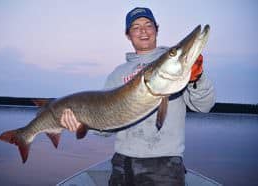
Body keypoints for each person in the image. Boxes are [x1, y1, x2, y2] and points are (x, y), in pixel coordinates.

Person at [60, 7, 215, 186]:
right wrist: (83, 124)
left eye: (148, 25)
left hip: (164, 164)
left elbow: (204, 106)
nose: (143, 31)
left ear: (157, 29)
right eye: (135, 27)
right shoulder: (117, 74)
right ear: (128, 35)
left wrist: (198, 78)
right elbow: (105, 125)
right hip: (122, 163)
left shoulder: (179, 71)